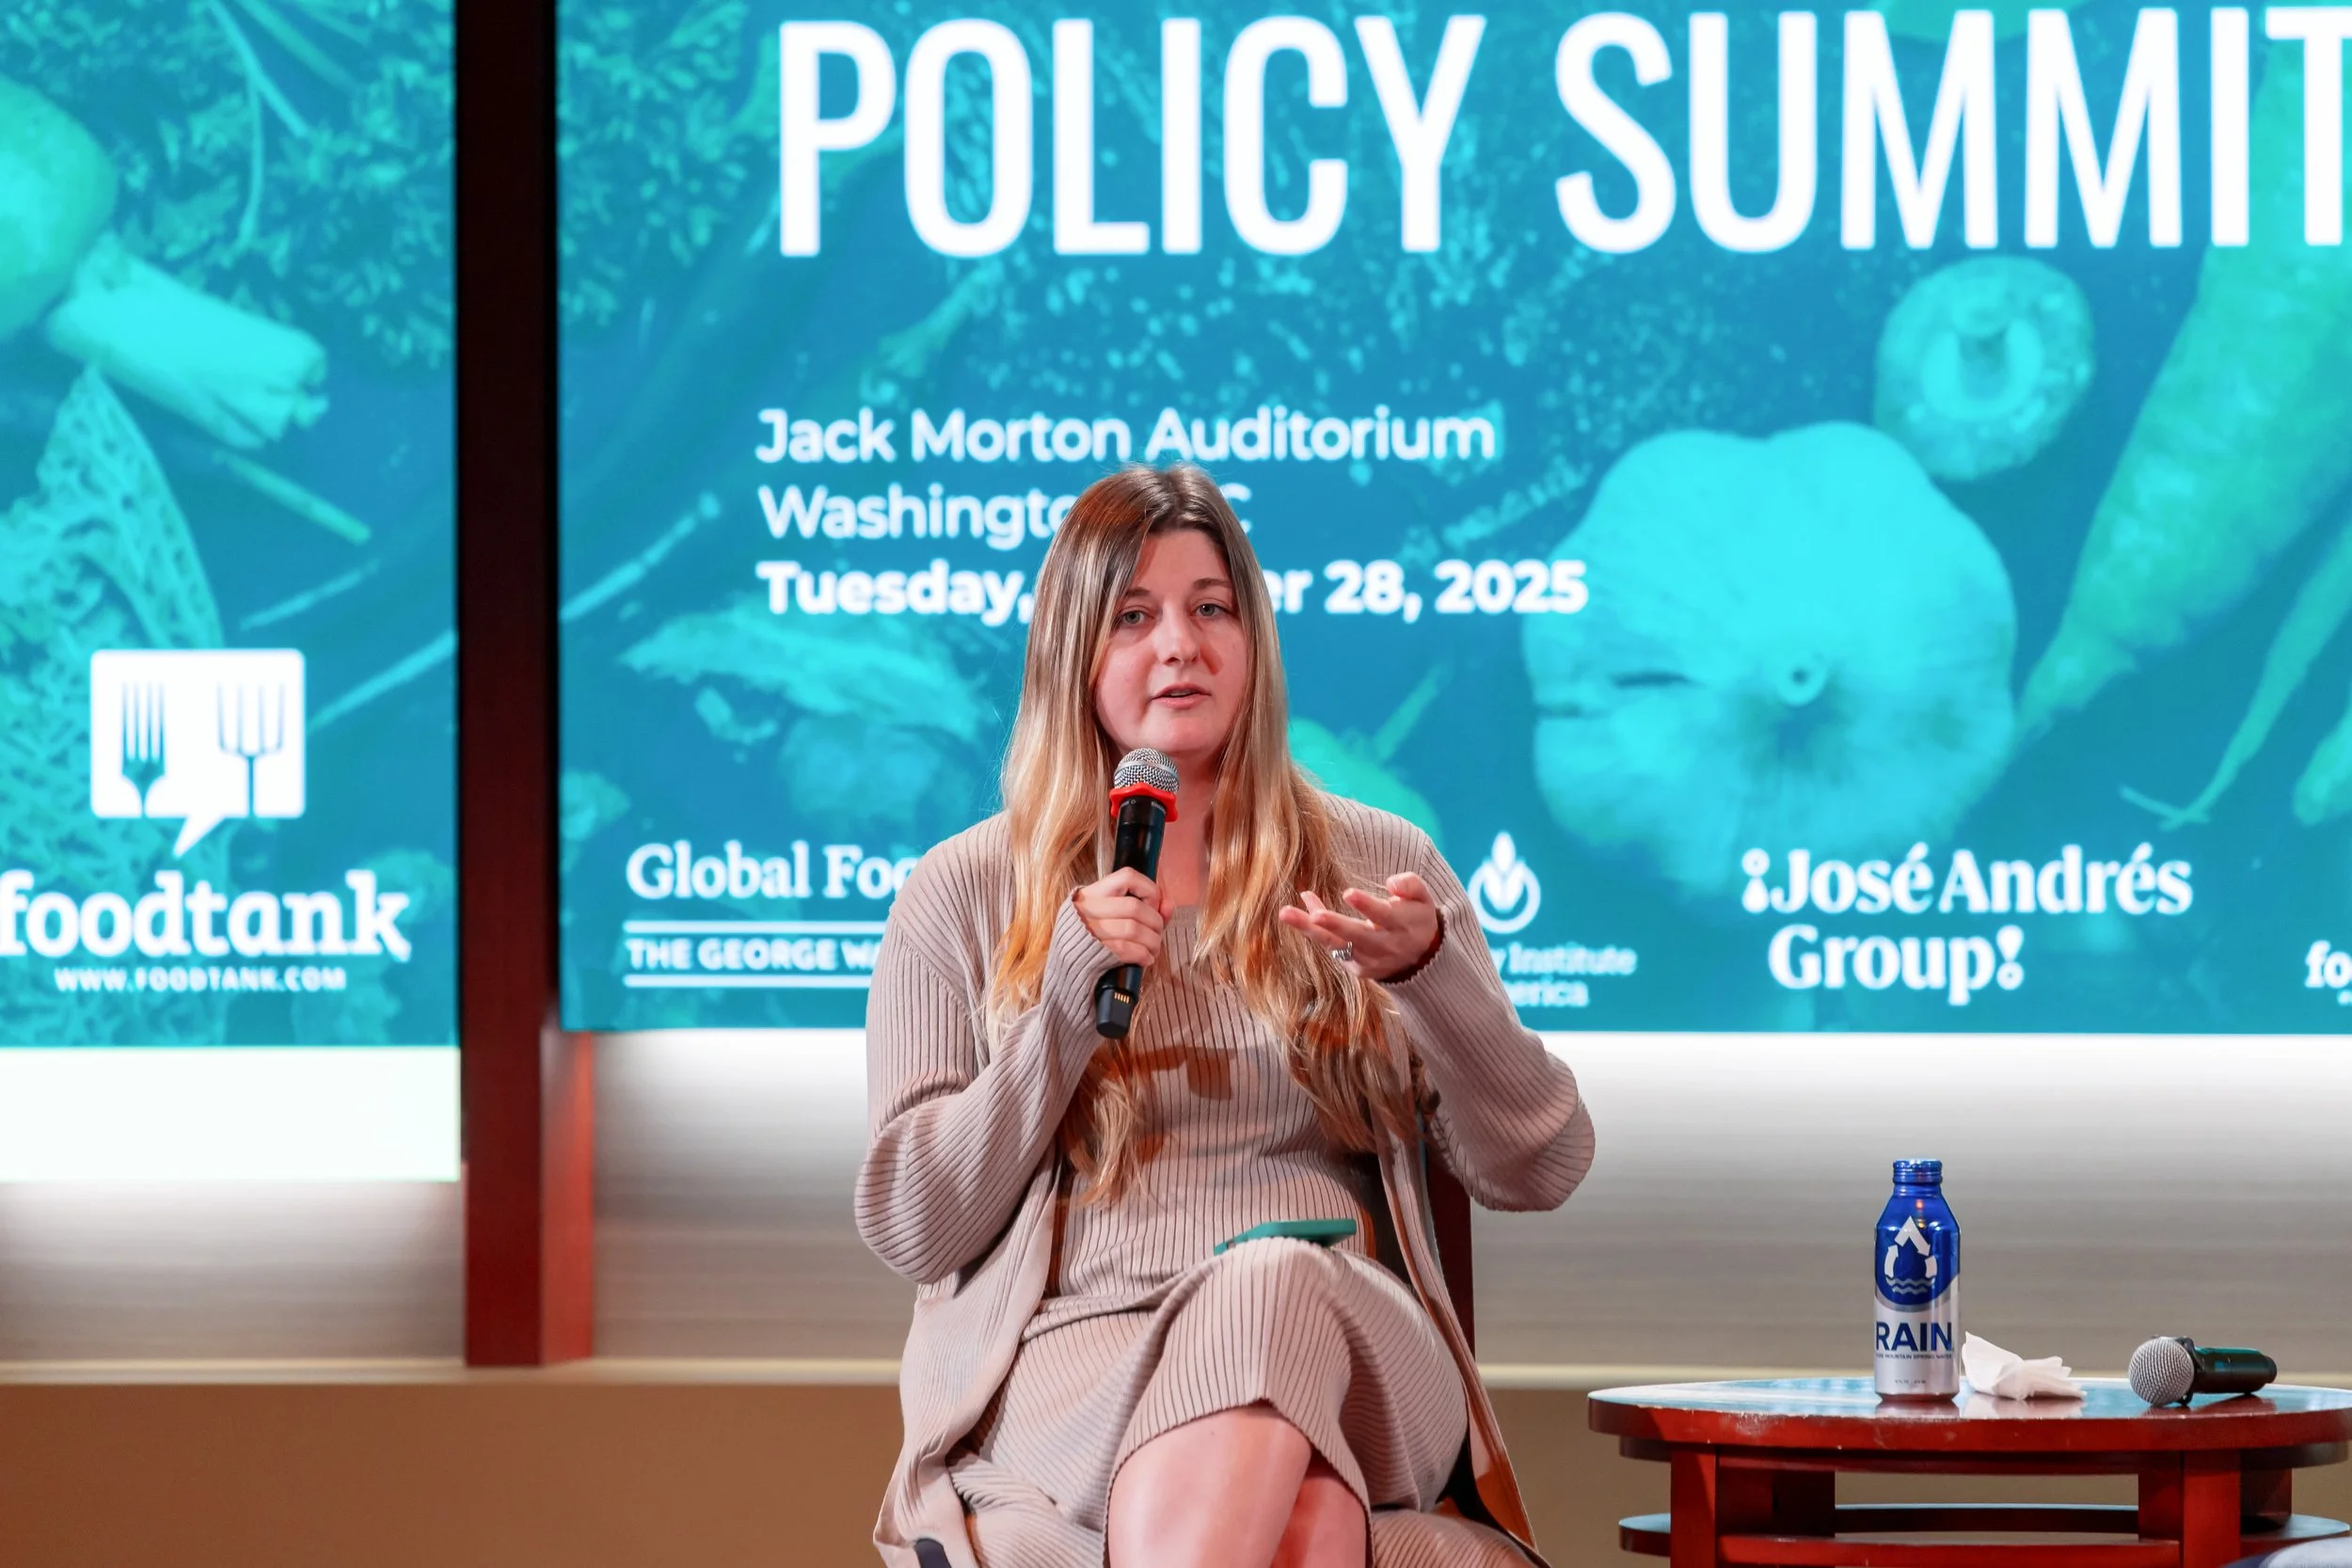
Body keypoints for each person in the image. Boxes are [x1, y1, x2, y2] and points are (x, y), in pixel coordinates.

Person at [857, 464, 1595, 1568]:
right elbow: (916, 1224)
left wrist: (1433, 978)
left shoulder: (1378, 863)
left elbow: (1543, 1164)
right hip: (1082, 1359)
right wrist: (1060, 1015)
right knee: (1306, 1523)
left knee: (1268, 1280)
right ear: (1072, 652)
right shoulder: (964, 891)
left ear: (1253, 639)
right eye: (1133, 616)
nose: (1181, 646)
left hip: (1345, 1332)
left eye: (1211, 608)